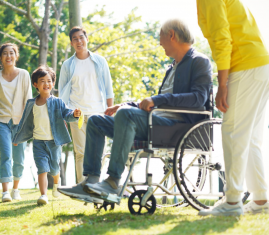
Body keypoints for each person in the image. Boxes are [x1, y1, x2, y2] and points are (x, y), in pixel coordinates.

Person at [57, 19, 212, 204]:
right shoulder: (173, 66)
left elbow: (198, 99)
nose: (160, 43)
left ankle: (113, 181)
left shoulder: (199, 61)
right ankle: (90, 182)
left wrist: (155, 100)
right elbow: (154, 101)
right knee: (97, 121)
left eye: (161, 38)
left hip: (176, 127)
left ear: (171, 35)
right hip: (155, 122)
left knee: (126, 115)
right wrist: (124, 105)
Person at [196, 0, 269, 216]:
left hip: (246, 66)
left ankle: (232, 201)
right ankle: (261, 199)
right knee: (249, 138)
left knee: (233, 132)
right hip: (259, 66)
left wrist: (222, 84)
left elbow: (222, 38)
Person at [12, 66, 81, 205]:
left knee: (55, 168)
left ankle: (56, 182)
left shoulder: (58, 102)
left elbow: (66, 114)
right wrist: (17, 138)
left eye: (49, 81)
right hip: (38, 142)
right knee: (42, 168)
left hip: (54, 142)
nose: (46, 84)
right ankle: (43, 195)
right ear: (35, 84)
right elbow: (24, 122)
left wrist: (74, 115)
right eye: (42, 81)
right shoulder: (31, 103)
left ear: (52, 83)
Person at [58, 26, 114, 184]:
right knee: (80, 152)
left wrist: (110, 110)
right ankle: (83, 186)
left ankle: (96, 184)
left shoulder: (99, 61)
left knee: (99, 152)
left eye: (81, 37)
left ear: (87, 39)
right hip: (77, 114)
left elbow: (108, 88)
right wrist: (63, 115)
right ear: (71, 43)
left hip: (98, 113)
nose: (78, 41)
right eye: (74, 39)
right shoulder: (67, 65)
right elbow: (62, 93)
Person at [0, 43, 32, 202]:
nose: (8, 56)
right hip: (1, 122)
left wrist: (24, 126)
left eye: (12, 53)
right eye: (5, 53)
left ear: (16, 56)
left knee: (19, 158)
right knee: (6, 155)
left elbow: (28, 100)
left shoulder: (24, 74)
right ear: (0, 58)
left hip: (20, 123)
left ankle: (15, 189)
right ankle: (5, 192)